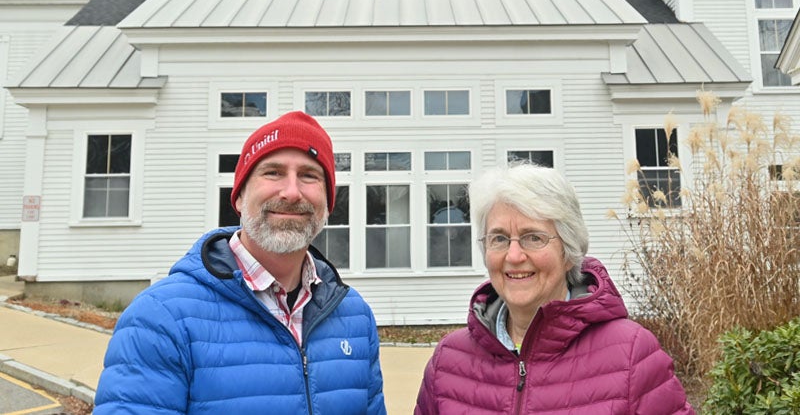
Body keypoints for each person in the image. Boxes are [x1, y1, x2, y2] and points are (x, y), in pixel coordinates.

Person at [95, 111, 386, 414]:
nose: (290, 192)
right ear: (239, 198)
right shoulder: (161, 318)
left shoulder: (354, 318)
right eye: (272, 172)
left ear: (328, 204)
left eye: (309, 175)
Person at [414, 162, 694, 414]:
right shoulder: (449, 362)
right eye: (499, 238)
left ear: (569, 250)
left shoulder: (631, 354)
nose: (513, 256)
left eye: (533, 237)